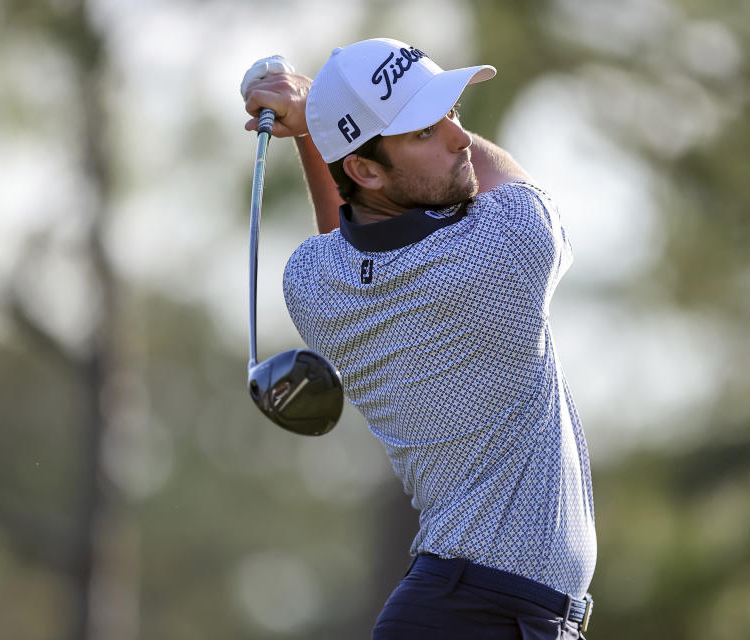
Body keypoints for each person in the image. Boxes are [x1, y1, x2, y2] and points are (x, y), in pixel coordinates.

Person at [240, 38, 596, 639]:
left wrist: (319, 133)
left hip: (462, 610)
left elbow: (347, 240)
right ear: (365, 168)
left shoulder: (307, 281)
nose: (460, 138)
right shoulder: (510, 246)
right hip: (483, 615)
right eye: (425, 131)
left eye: (452, 114)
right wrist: (317, 121)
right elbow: (486, 183)